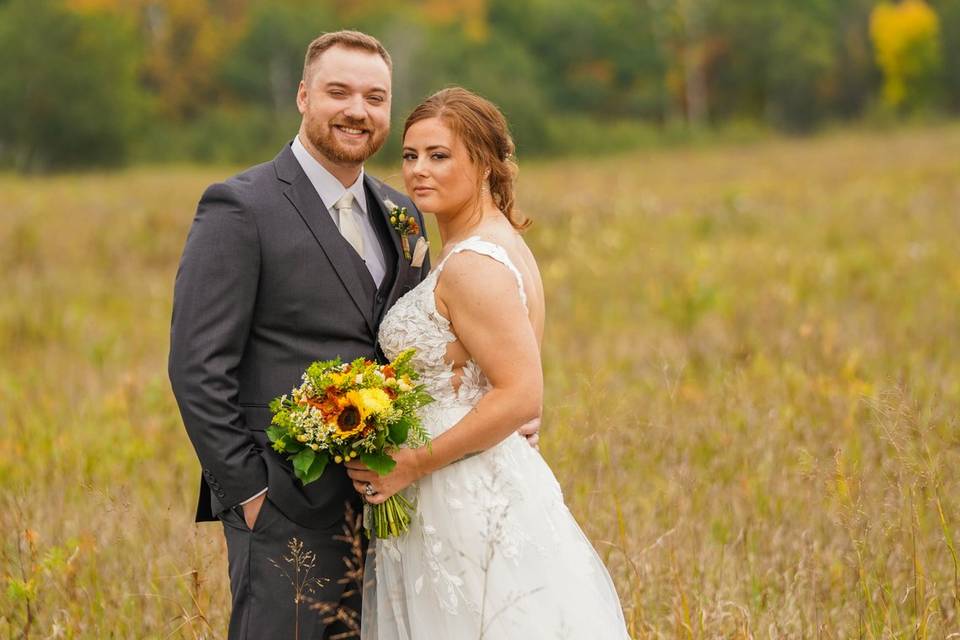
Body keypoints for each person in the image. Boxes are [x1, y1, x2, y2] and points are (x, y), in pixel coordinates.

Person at [169, 30, 539, 639]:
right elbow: (196, 368)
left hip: (402, 510)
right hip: (285, 504)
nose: (356, 111)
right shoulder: (241, 207)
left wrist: (499, 403)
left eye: (374, 97)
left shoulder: (402, 212)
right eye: (338, 92)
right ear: (303, 97)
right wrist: (251, 494)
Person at [346, 87, 630, 639]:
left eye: (439, 154)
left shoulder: (474, 264)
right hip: (478, 475)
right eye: (410, 155)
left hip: (460, 489)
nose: (418, 171)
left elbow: (522, 394)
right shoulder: (487, 244)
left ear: (484, 163)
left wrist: (413, 463)